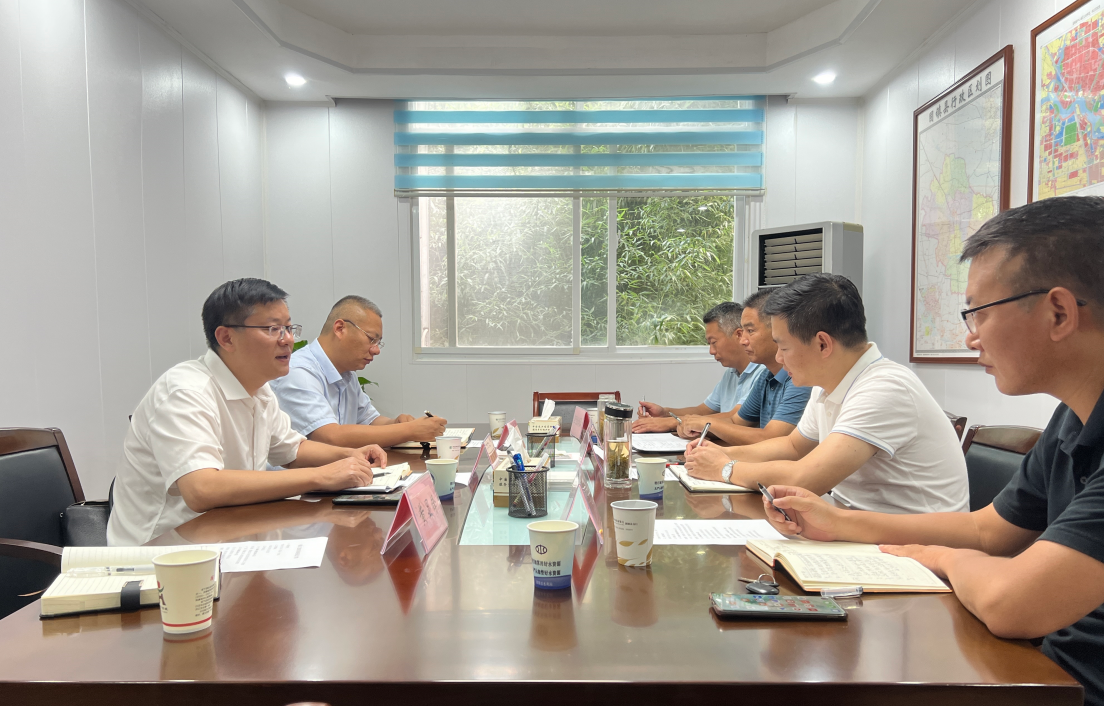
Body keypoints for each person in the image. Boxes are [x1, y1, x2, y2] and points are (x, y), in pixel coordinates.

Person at [757, 197, 1104, 706]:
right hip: (1043, 670)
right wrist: (836, 523)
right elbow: (988, 531)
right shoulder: (1073, 418)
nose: (970, 337)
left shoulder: (885, 384)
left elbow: (1011, 603)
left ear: (1059, 312)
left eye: (979, 313)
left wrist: (941, 557)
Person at [107, 279, 387, 546]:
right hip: (160, 558)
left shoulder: (259, 390)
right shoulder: (185, 392)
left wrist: (351, 455)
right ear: (226, 337)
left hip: (229, 539)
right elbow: (202, 489)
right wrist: (321, 476)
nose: (288, 340)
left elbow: (292, 450)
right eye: (273, 329)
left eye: (289, 328)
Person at [686, 273, 968, 512]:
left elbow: (805, 477)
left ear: (822, 344)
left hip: (915, 547)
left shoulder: (884, 388)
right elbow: (793, 447)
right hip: (856, 526)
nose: (779, 358)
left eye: (784, 347)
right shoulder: (827, 384)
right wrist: (717, 454)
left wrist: (725, 468)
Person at [270, 295, 448, 447]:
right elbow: (329, 436)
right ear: (340, 329)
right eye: (371, 339)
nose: (376, 350)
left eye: (378, 343)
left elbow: (369, 421)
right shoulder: (298, 372)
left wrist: (396, 423)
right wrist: (409, 430)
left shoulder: (347, 374)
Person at [678, 290, 812, 446]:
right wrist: (697, 426)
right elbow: (736, 422)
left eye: (750, 331)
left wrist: (707, 424)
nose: (742, 341)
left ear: (777, 331)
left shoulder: (801, 379)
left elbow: (771, 438)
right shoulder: (766, 377)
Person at [633, 301, 765, 438]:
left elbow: (737, 418)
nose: (711, 351)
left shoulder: (763, 373)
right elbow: (703, 410)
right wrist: (665, 413)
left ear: (738, 335)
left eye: (714, 342)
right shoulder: (731, 372)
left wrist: (671, 422)